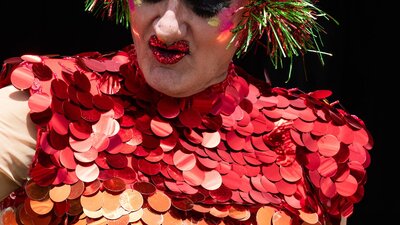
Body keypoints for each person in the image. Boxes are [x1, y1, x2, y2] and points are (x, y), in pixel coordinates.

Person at [0, 0, 373, 224]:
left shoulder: (314, 142)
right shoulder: (50, 103)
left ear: (259, 10)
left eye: (206, 3)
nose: (165, 28)